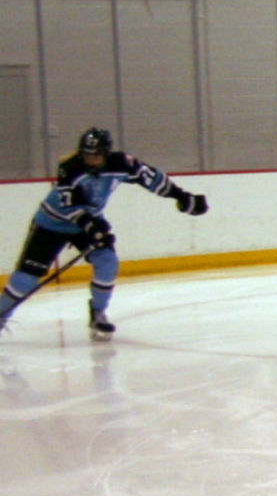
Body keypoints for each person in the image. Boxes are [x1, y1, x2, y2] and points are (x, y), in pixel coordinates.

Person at [0, 127, 207, 341]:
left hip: (88, 221)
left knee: (108, 262)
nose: (90, 160)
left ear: (106, 154)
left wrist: (182, 197)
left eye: (95, 156)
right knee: (26, 278)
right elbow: (71, 207)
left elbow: (152, 178)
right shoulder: (70, 167)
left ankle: (98, 312)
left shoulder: (122, 163)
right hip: (52, 223)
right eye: (86, 155)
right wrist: (94, 228)